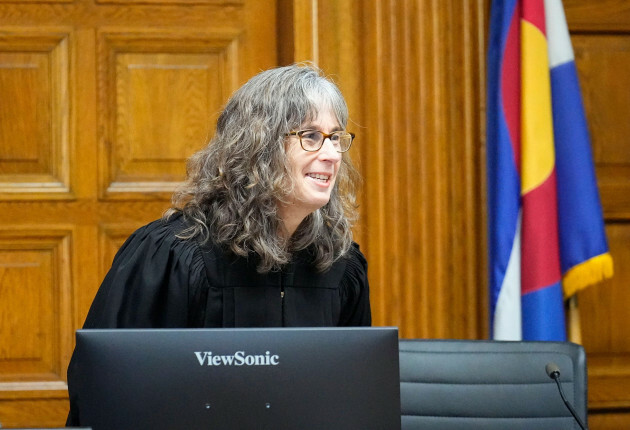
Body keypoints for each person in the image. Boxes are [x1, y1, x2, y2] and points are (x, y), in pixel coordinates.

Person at [66, 63, 371, 425]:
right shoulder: (173, 255)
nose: (332, 154)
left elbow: (354, 397)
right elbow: (108, 389)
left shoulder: (340, 265)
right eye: (310, 136)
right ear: (260, 145)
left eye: (335, 137)